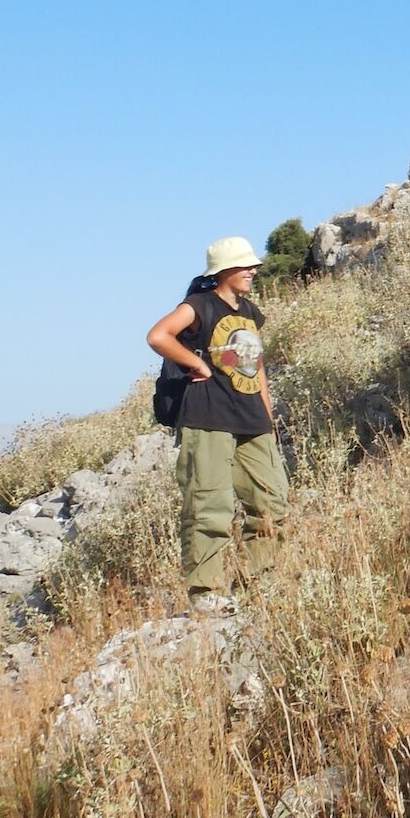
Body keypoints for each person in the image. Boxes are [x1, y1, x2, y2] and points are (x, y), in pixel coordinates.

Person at [145, 236, 288, 614]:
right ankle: (206, 593)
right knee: (210, 504)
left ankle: (259, 584)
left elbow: (256, 367)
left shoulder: (250, 312)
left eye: (253, 265)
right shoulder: (199, 305)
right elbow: (158, 336)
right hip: (207, 416)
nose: (253, 271)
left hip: (251, 417)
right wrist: (198, 365)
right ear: (222, 271)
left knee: (272, 501)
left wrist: (268, 416)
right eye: (244, 266)